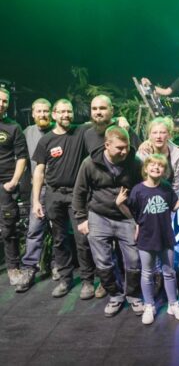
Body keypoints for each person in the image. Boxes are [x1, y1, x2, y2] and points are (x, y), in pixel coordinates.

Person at [73, 126, 144, 317]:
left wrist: (139, 220)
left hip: (125, 216)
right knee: (103, 262)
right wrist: (81, 218)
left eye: (126, 146)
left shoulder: (135, 162)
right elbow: (79, 192)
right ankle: (115, 295)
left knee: (134, 260)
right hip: (99, 216)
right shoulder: (90, 163)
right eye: (119, 148)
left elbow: (142, 191)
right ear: (107, 145)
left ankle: (133, 295)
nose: (124, 151)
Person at [31, 99, 96, 298]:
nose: (66, 115)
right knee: (59, 239)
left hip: (77, 194)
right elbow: (39, 171)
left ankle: (87, 281)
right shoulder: (46, 140)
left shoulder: (81, 131)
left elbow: (102, 122)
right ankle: (65, 280)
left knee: (82, 239)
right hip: (53, 194)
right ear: (54, 115)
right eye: (62, 112)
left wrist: (120, 120)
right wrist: (36, 201)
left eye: (69, 112)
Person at [116, 153, 179, 324]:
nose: (156, 167)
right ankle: (149, 305)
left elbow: (173, 207)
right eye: (153, 164)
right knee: (147, 273)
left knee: (169, 272)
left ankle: (173, 304)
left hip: (165, 237)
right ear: (146, 168)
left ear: (164, 170)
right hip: (146, 238)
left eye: (160, 165)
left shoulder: (166, 187)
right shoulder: (138, 190)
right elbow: (132, 214)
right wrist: (119, 204)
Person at [16, 98, 54, 292]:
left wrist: (120, 120)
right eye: (39, 111)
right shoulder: (27, 133)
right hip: (38, 188)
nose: (42, 115)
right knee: (34, 229)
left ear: (51, 112)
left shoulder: (60, 130)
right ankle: (29, 268)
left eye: (46, 111)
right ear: (33, 114)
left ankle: (58, 264)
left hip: (58, 189)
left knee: (60, 230)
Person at [0, 88, 28, 286]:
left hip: (5, 184)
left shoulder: (13, 127)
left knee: (8, 226)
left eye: (5, 101)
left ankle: (13, 267)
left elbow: (22, 157)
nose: (1, 104)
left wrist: (14, 181)